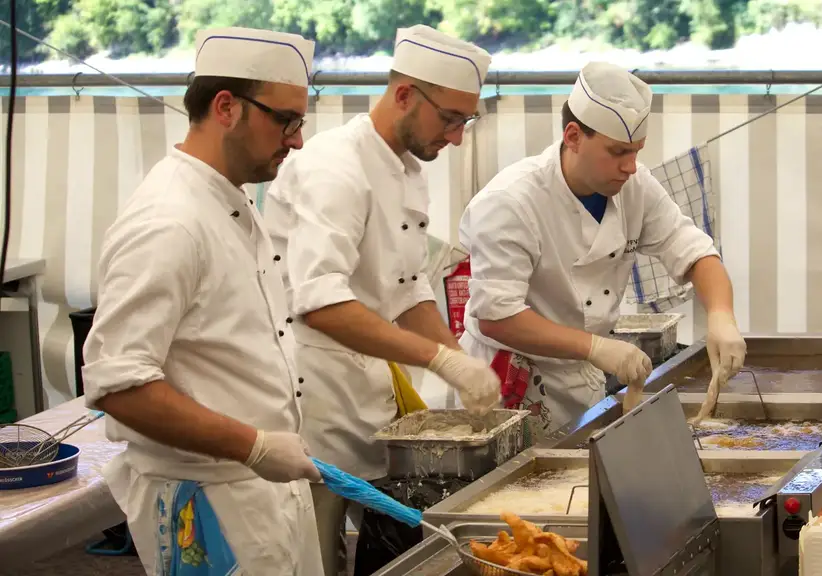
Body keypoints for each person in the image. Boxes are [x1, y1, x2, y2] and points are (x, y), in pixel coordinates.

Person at [82, 27, 324, 576]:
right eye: (286, 121)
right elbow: (116, 383)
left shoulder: (231, 203)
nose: (297, 140)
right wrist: (255, 445)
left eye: (300, 122)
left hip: (259, 491)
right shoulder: (170, 219)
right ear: (226, 107)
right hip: (210, 506)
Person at [262, 24, 500, 576]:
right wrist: (438, 360)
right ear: (403, 95)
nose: (458, 137)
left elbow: (407, 288)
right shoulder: (335, 168)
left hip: (367, 390)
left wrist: (457, 356)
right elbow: (319, 303)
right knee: (314, 557)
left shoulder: (408, 169)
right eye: (450, 119)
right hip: (309, 402)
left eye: (466, 121)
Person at [457, 61, 748, 434]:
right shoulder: (511, 202)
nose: (630, 166)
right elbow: (497, 316)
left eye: (637, 152)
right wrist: (597, 348)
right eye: (617, 152)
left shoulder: (635, 186)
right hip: (505, 388)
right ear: (574, 136)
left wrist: (722, 316)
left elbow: (694, 251)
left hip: (579, 382)